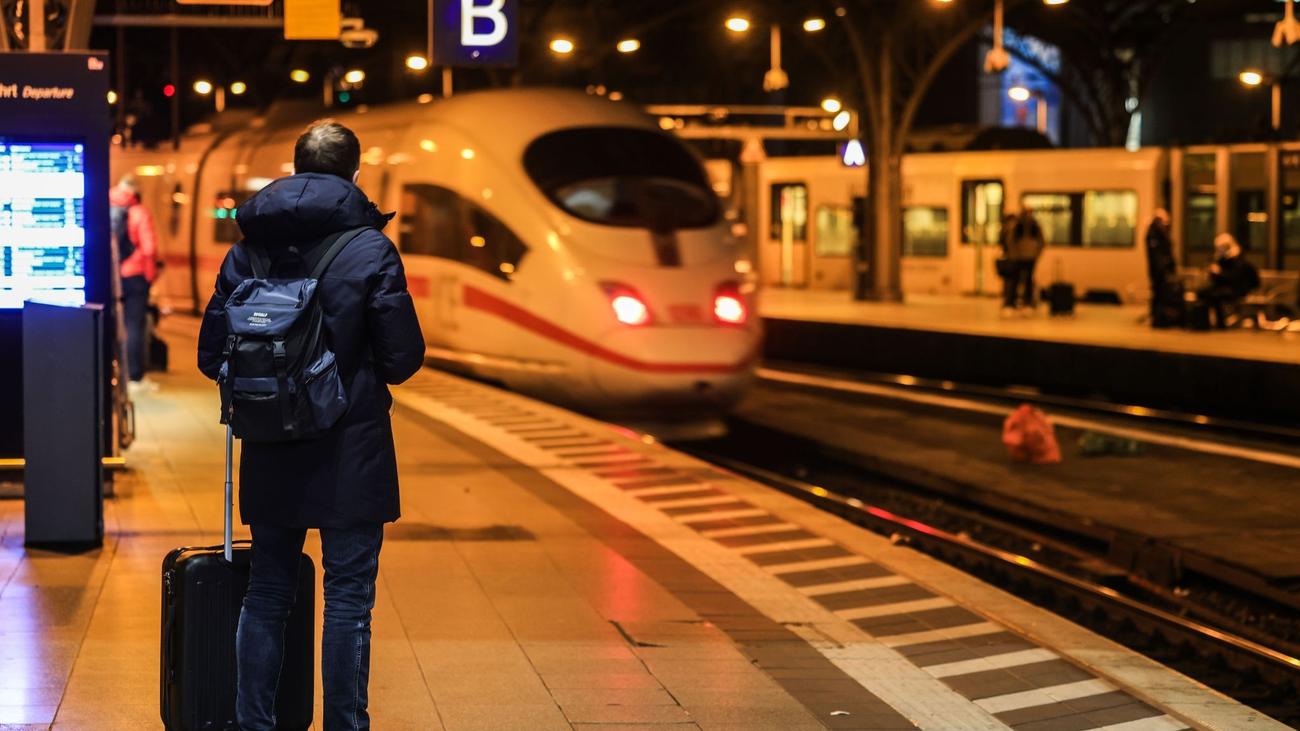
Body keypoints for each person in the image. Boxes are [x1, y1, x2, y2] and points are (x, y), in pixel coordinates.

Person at [197, 120, 425, 731]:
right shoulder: (371, 250)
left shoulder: (246, 249)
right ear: (355, 174)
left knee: (267, 591)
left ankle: (255, 724)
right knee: (348, 601)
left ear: (294, 167)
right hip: (352, 448)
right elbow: (403, 359)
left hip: (272, 446)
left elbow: (209, 355)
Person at [109, 174, 158, 389]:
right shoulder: (139, 212)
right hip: (135, 276)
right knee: (134, 325)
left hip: (112, 276)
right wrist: (150, 275)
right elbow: (149, 249)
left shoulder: (104, 207)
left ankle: (112, 372)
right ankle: (135, 377)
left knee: (113, 324)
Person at [1197, 232, 1260, 329]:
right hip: (1226, 288)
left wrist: (1220, 273)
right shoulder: (1221, 259)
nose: (1219, 250)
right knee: (1205, 293)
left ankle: (1220, 323)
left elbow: (1235, 279)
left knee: (1215, 296)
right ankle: (1207, 322)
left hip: (1238, 289)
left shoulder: (1238, 260)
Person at [1001, 208, 1044, 315]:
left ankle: (1027, 303)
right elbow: (1010, 241)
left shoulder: (1036, 227)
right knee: (1014, 281)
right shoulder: (1016, 226)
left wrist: (1036, 254)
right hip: (1017, 258)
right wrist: (1013, 255)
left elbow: (1041, 242)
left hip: (1030, 258)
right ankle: (1010, 303)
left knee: (1028, 280)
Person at [1144, 208, 1181, 327]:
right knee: (1159, 294)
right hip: (1160, 272)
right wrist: (1165, 268)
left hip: (1159, 271)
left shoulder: (1154, 233)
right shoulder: (1155, 234)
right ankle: (1159, 320)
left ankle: (1160, 319)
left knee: (1159, 294)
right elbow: (1158, 255)